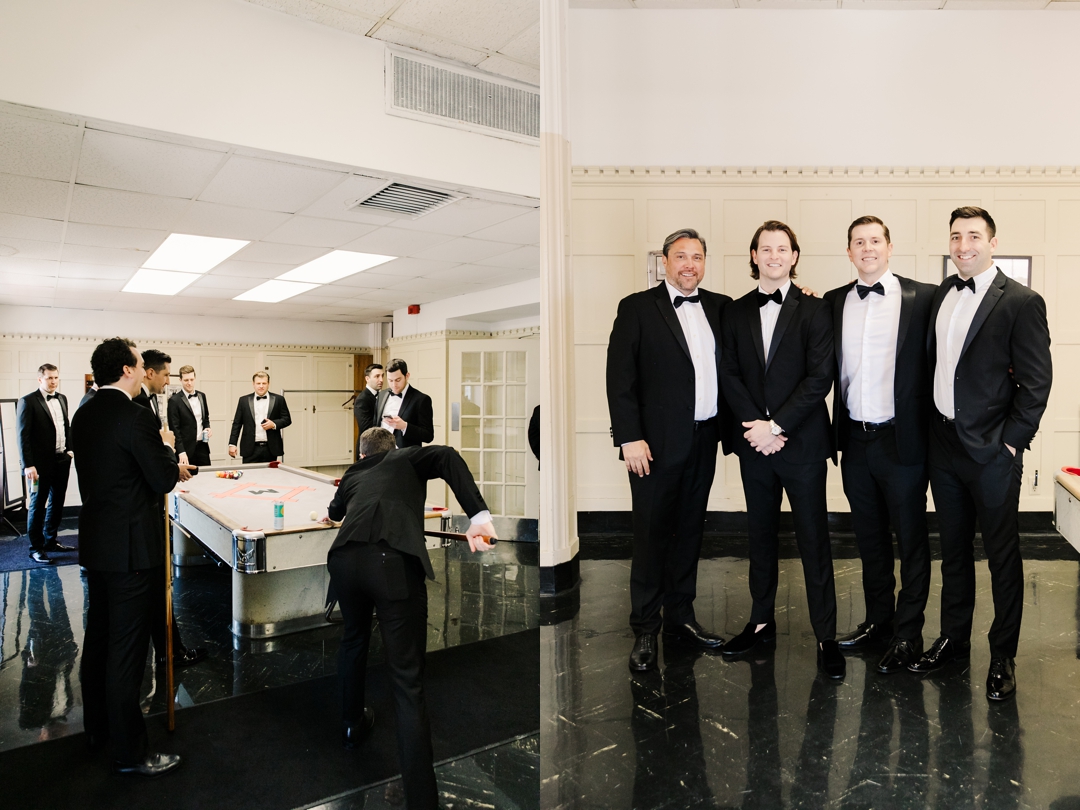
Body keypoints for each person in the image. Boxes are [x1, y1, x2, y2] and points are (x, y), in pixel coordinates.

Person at [909, 206, 1052, 701]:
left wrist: (1011, 442)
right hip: (943, 447)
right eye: (955, 236)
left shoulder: (1021, 301)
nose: (963, 244)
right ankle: (952, 639)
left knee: (1001, 556)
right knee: (951, 552)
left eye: (973, 235)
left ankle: (1002, 655)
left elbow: (1036, 384)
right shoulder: (942, 294)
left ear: (993, 241)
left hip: (992, 451)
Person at [326, 427, 497, 810]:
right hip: (391, 563)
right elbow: (447, 455)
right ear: (394, 449)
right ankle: (421, 800)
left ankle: (352, 726)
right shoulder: (404, 457)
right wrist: (479, 515)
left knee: (353, 639)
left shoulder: (354, 473)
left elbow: (334, 511)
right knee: (406, 680)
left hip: (343, 561)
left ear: (361, 453)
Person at [718, 220, 844, 679]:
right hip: (754, 444)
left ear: (794, 256)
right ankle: (760, 620)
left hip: (802, 443)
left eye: (783, 248)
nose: (774, 255)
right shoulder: (733, 312)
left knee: (814, 540)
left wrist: (777, 425)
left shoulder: (817, 309)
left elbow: (820, 377)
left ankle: (826, 635)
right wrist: (758, 428)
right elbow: (728, 373)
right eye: (765, 248)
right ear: (753, 256)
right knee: (760, 537)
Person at [606, 227, 733, 672]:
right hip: (652, 447)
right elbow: (620, 380)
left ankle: (682, 618)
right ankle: (645, 628)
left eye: (697, 257)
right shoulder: (637, 308)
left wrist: (804, 291)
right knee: (652, 536)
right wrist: (629, 438)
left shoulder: (720, 307)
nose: (689, 265)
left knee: (690, 533)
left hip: (704, 440)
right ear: (664, 261)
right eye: (681, 257)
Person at [71, 337, 193, 776]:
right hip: (132, 552)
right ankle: (130, 752)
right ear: (125, 370)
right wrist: (163, 443)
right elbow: (161, 479)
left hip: (97, 545)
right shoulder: (137, 418)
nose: (144, 372)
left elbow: (114, 471)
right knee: (126, 652)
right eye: (140, 366)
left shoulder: (83, 414)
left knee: (99, 641)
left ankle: (96, 729)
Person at [823, 216, 936, 674]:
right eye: (858, 242)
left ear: (889, 247)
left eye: (875, 241)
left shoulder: (925, 297)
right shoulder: (831, 303)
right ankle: (878, 622)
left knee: (910, 541)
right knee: (869, 539)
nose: (867, 248)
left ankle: (909, 634)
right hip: (854, 439)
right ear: (848, 252)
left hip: (903, 440)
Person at [131, 350, 209, 670]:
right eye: (166, 375)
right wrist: (168, 453)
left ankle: (169, 652)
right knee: (155, 591)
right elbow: (151, 463)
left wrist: (172, 468)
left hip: (149, 506)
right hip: (144, 513)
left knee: (157, 592)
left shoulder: (148, 401)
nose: (169, 380)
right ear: (149, 373)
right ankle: (169, 653)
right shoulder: (137, 406)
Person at [17, 363, 75, 565]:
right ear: (40, 379)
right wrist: (28, 465)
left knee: (57, 503)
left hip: (61, 460)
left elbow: (66, 426)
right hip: (39, 466)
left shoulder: (62, 399)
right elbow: (22, 436)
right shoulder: (28, 401)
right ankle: (36, 548)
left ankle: (51, 541)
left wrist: (70, 449)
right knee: (37, 505)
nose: (53, 381)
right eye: (49, 378)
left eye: (56, 377)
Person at [228, 372, 292, 463]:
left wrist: (274, 424)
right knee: (249, 476)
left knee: (270, 476)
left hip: (271, 448)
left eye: (264, 383)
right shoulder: (243, 400)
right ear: (253, 384)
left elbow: (287, 419)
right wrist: (232, 444)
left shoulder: (279, 399)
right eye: (258, 383)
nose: (261, 386)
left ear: (268, 384)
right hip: (250, 448)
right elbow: (237, 424)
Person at [374, 359, 434, 449]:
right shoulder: (382, 395)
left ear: (407, 376)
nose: (394, 385)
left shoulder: (421, 399)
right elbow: (375, 425)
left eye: (398, 380)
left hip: (405, 456)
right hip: (381, 454)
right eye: (390, 380)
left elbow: (428, 436)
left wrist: (405, 426)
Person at [168, 365, 212, 467]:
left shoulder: (202, 396)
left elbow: (206, 418)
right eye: (186, 380)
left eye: (192, 379)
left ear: (195, 378)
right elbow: (175, 429)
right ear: (180, 380)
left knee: (207, 478)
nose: (189, 383)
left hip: (203, 447)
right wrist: (181, 452)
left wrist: (208, 427)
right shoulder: (174, 400)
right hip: (185, 450)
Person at [353, 362, 383, 459]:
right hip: (367, 450)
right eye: (377, 376)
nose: (381, 380)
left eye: (382, 376)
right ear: (367, 379)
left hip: (380, 449)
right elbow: (366, 428)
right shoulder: (362, 399)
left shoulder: (384, 395)